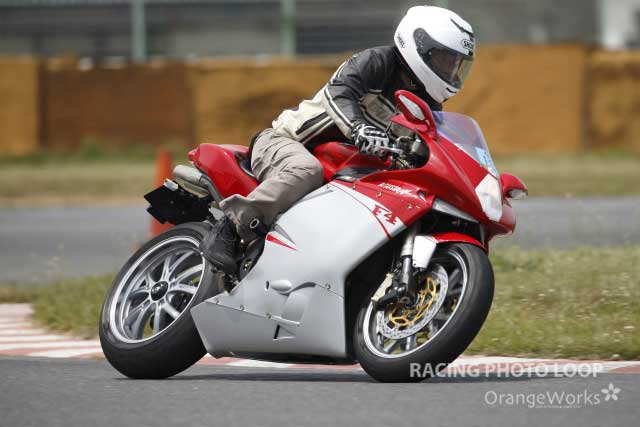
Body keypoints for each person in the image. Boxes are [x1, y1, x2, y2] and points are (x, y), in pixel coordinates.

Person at [201, 5, 476, 273]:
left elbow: (428, 147)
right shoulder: (377, 62)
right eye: (445, 60)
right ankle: (230, 227)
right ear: (421, 48)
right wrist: (358, 128)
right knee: (306, 170)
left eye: (456, 64)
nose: (451, 70)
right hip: (288, 142)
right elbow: (338, 93)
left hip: (344, 169)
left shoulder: (429, 104)